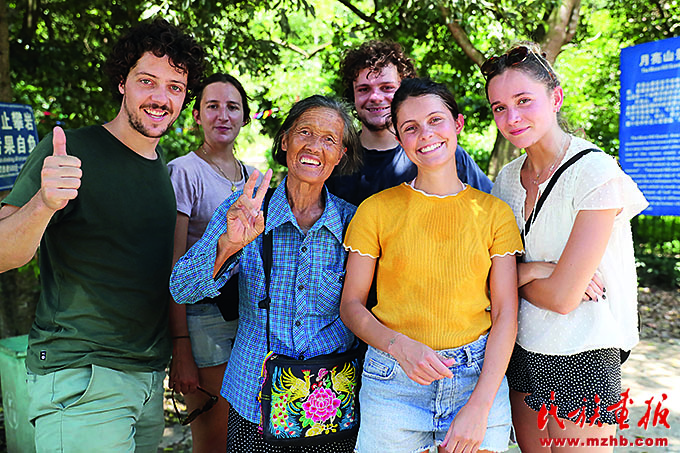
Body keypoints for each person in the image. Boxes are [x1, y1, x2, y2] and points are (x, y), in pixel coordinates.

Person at [0, 19, 205, 452]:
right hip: (82, 377)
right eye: (147, 81)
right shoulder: (72, 151)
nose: (160, 98)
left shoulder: (160, 170)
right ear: (121, 83)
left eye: (174, 87)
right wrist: (43, 203)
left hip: (147, 379)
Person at [340, 78, 523, 453]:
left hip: (477, 379)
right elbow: (351, 305)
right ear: (399, 136)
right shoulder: (376, 210)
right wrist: (399, 346)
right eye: (410, 127)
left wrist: (481, 405)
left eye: (436, 120)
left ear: (457, 124)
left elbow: (506, 312)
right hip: (393, 381)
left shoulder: (494, 213)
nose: (425, 134)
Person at [170, 95, 362, 452]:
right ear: (285, 139)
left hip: (331, 401)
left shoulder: (355, 223)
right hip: (253, 400)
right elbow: (181, 288)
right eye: (304, 132)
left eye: (329, 139)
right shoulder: (244, 210)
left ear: (341, 155)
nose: (314, 146)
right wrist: (228, 244)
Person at [484, 42, 648, 451]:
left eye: (524, 101)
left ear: (555, 97)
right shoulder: (505, 180)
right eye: (499, 107)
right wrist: (539, 269)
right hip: (521, 346)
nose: (512, 117)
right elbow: (489, 274)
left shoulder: (595, 172)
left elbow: (562, 298)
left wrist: (515, 277)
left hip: (584, 351)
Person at [167, 73, 259, 452]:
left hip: (248, 318)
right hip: (203, 320)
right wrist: (181, 347)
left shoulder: (253, 177)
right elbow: (173, 268)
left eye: (232, 107)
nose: (223, 115)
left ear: (245, 118)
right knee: (214, 438)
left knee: (249, 434)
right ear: (197, 116)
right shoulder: (183, 171)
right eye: (213, 106)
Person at [326, 40, 493, 206]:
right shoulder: (335, 159)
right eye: (364, 89)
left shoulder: (443, 152)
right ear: (352, 95)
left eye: (387, 88)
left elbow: (491, 207)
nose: (375, 97)